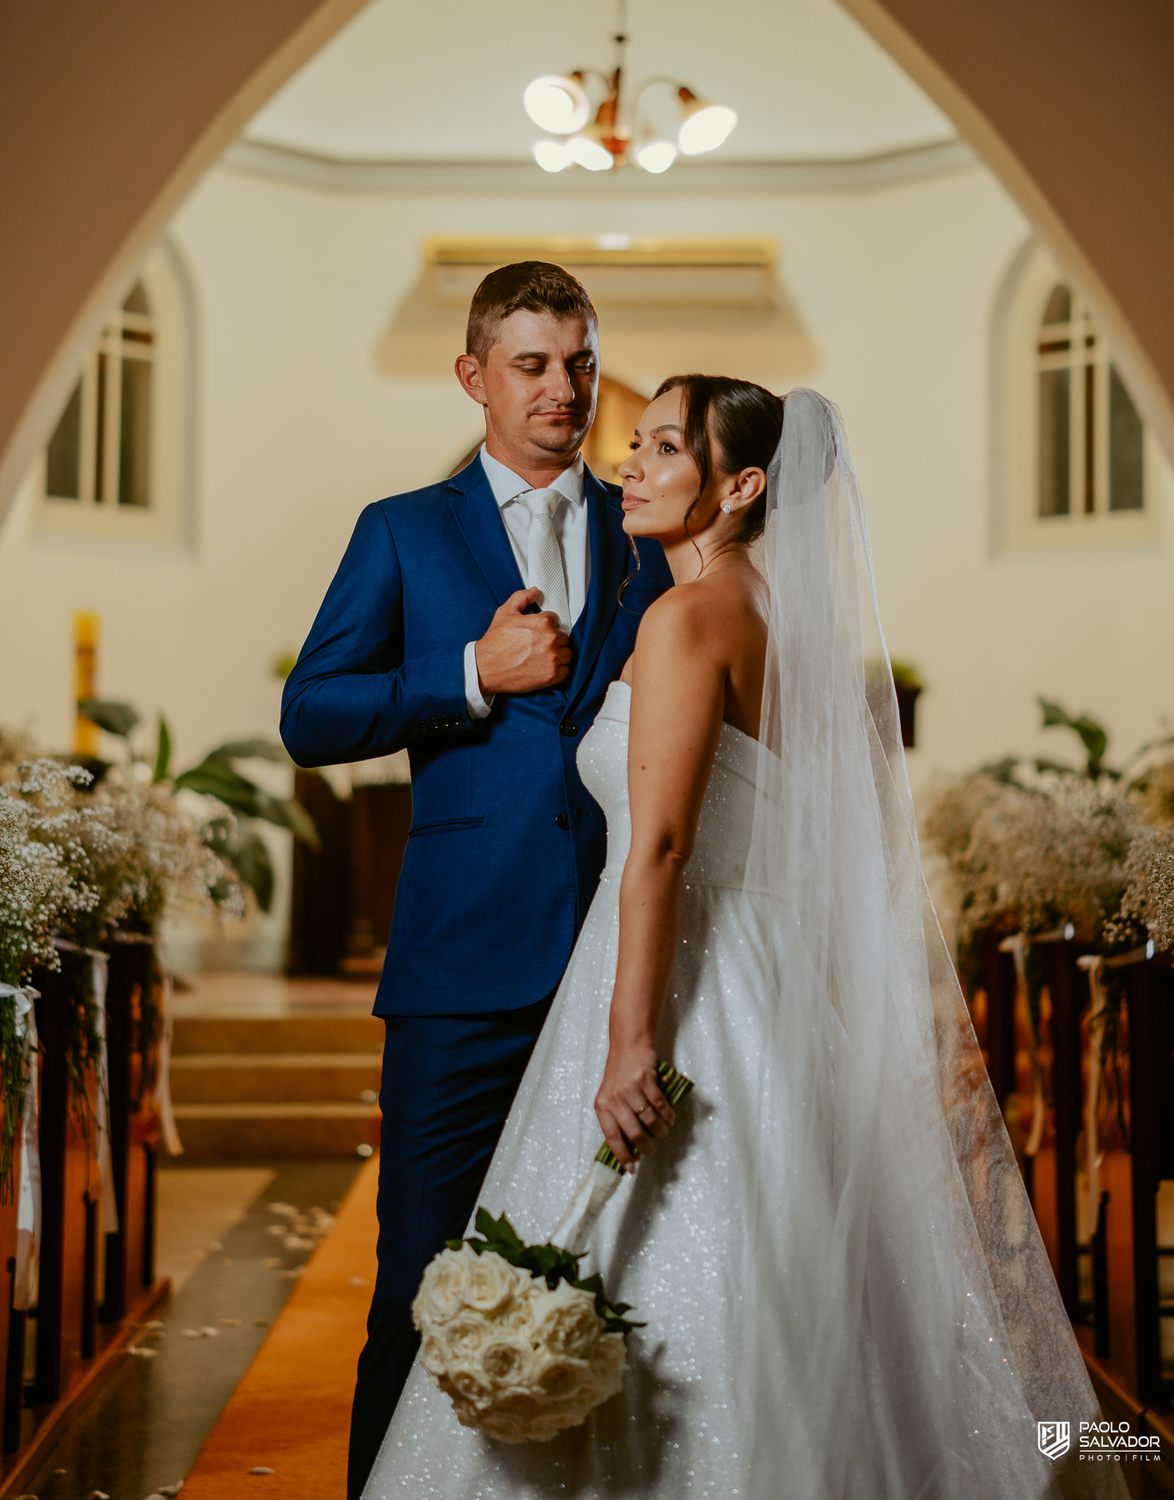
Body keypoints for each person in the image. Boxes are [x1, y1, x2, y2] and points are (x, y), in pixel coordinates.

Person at [362, 378, 1127, 1499]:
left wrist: (629, 1045)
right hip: (766, 989)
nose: (632, 461)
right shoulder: (774, 617)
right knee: (788, 1270)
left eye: (666, 446)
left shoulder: (685, 622)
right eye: (639, 441)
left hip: (679, 988)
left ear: (741, 483)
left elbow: (660, 851)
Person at [279, 261, 673, 1500]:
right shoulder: (402, 529)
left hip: (615, 970)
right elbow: (311, 712)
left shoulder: (645, 528)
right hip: (458, 973)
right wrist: (466, 674)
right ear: (474, 377)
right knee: (419, 1283)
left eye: (581, 363)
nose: (565, 390)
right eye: (534, 364)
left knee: (611, 1274)